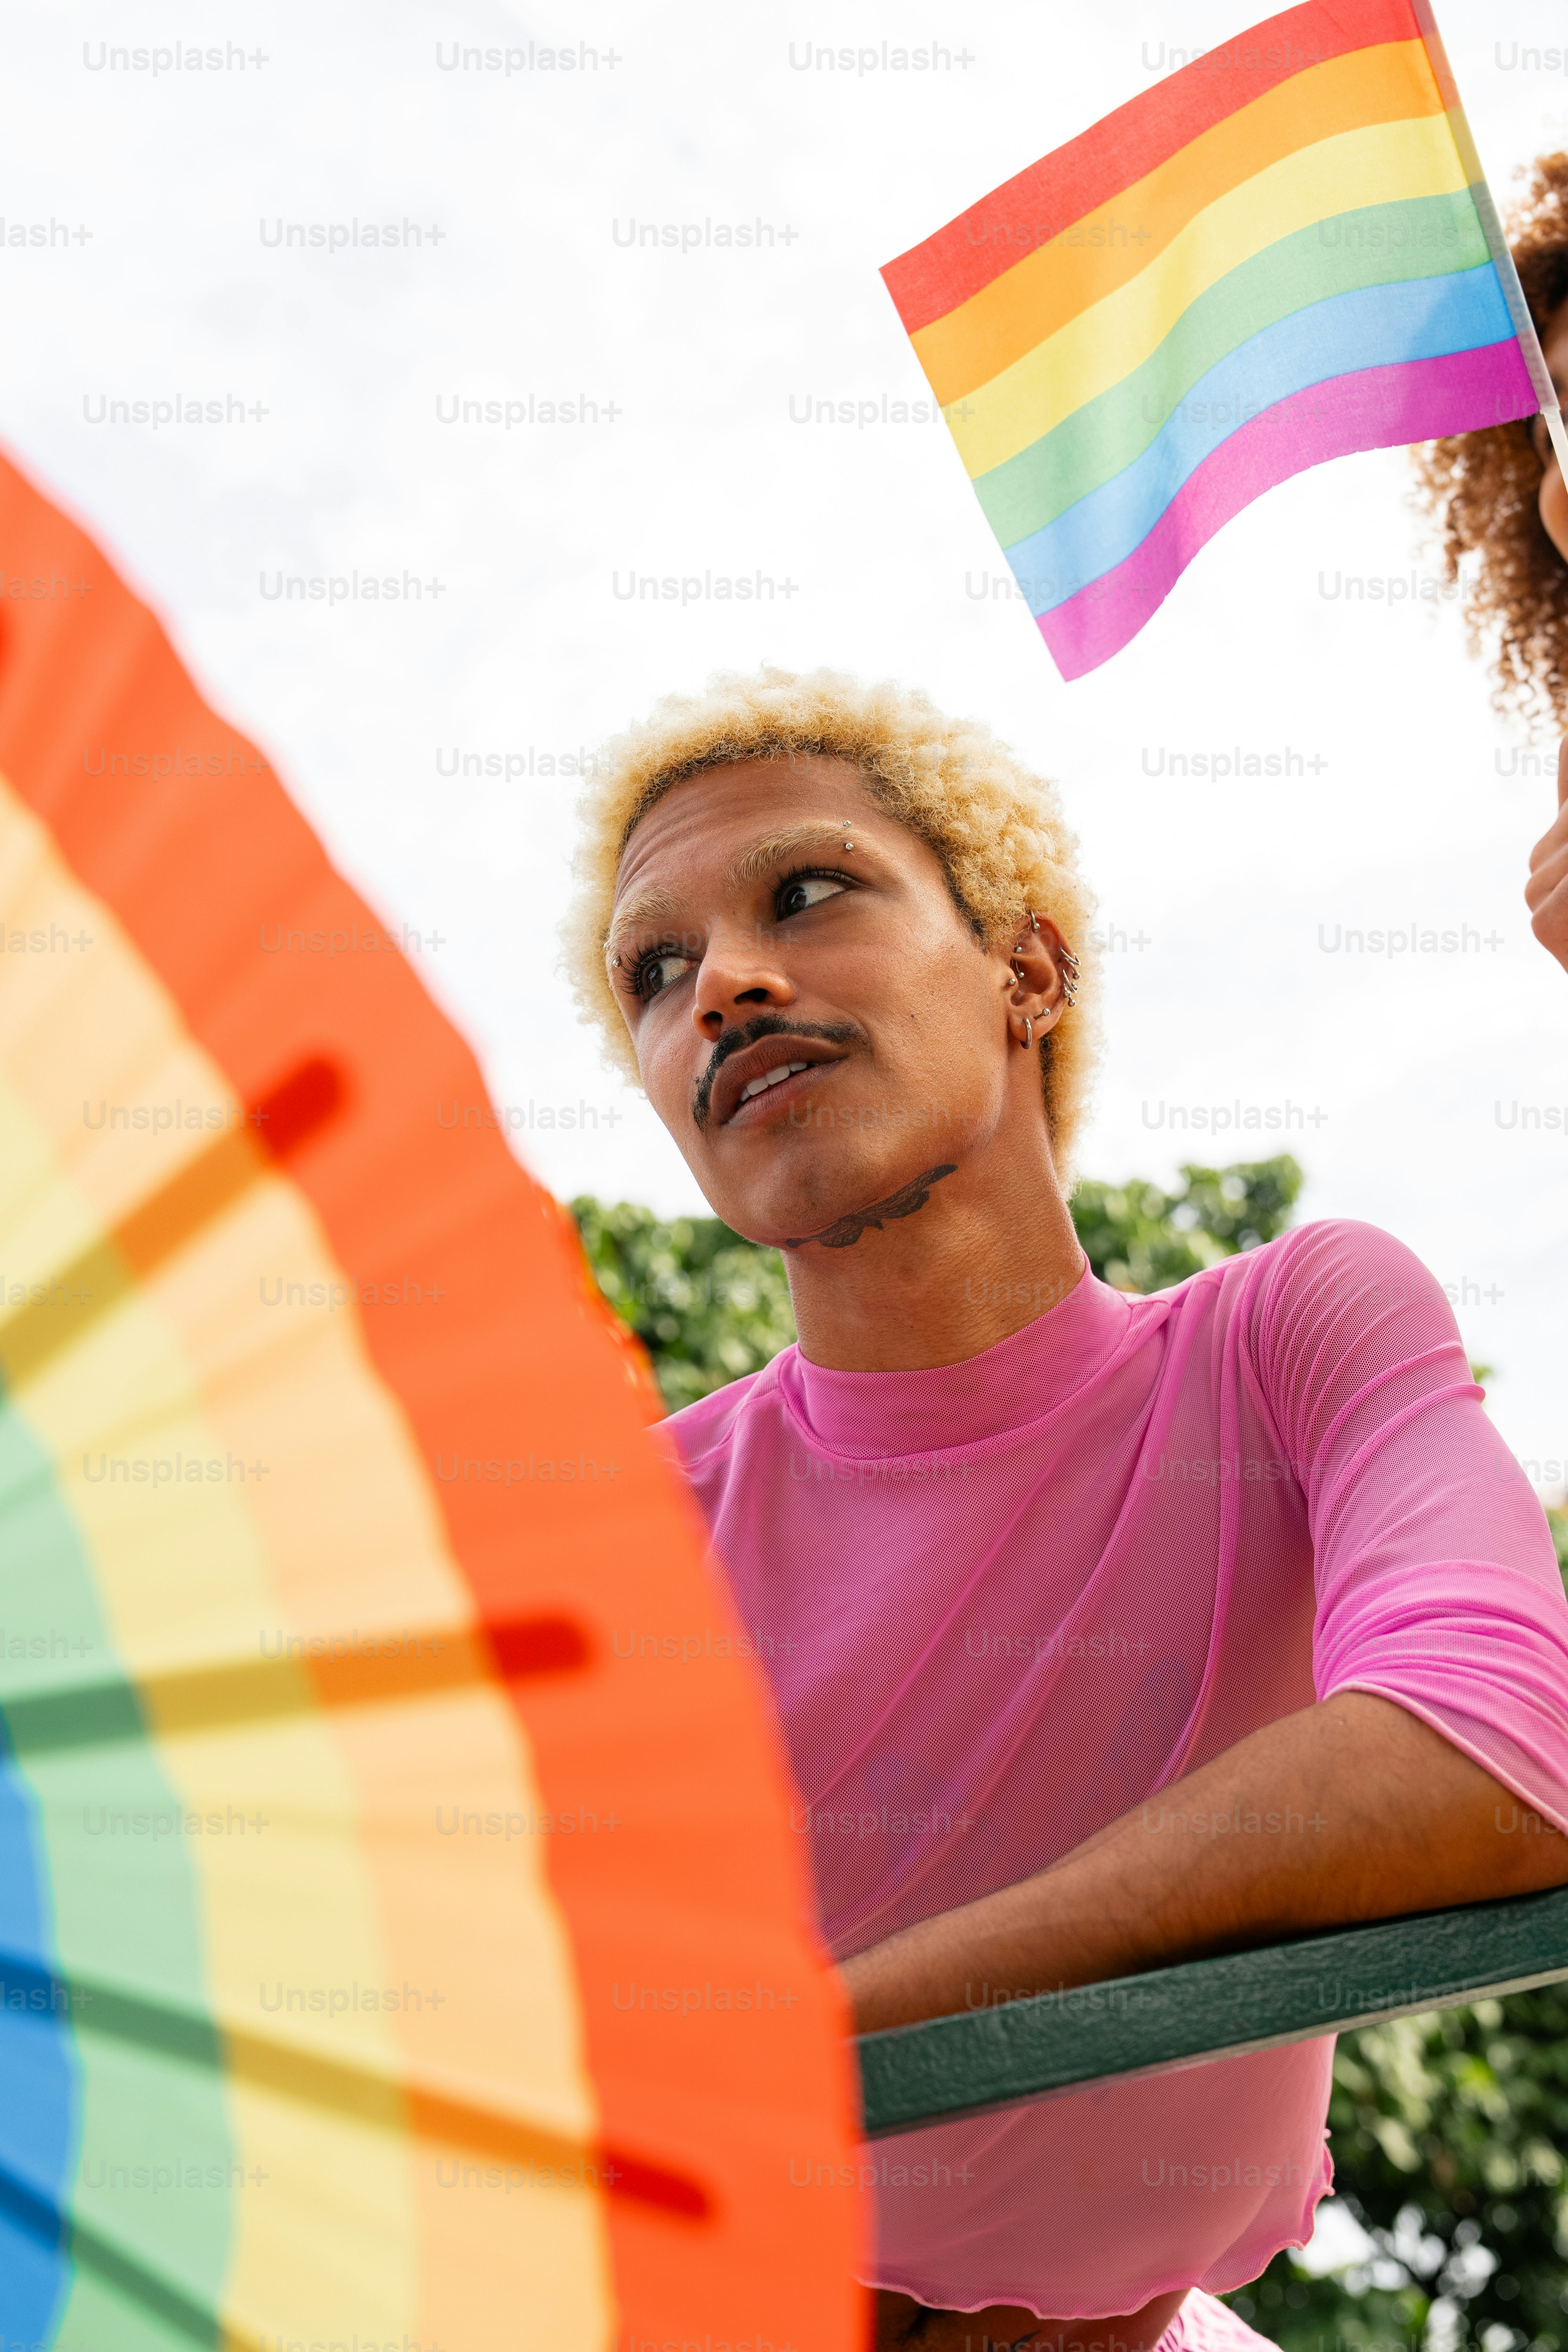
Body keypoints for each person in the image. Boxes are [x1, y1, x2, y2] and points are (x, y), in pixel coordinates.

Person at [564, 666, 1568, 2351]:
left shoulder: (1290, 1336)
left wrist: (827, 2041)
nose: (724, 984)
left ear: (1027, 969)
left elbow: (1496, 1748)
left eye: (808, 892)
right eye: (654, 975)